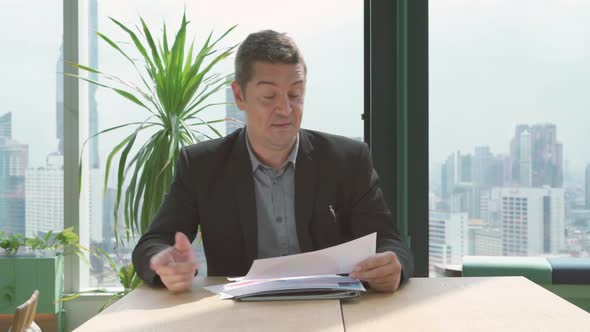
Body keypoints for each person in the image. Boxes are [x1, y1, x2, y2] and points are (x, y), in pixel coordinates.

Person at [132, 30, 414, 293]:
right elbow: (153, 244)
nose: (285, 109)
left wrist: (394, 266)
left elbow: (390, 243)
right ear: (240, 96)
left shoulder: (347, 160)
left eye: (295, 94)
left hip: (332, 311)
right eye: (269, 96)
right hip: (239, 318)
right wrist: (164, 263)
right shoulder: (202, 165)